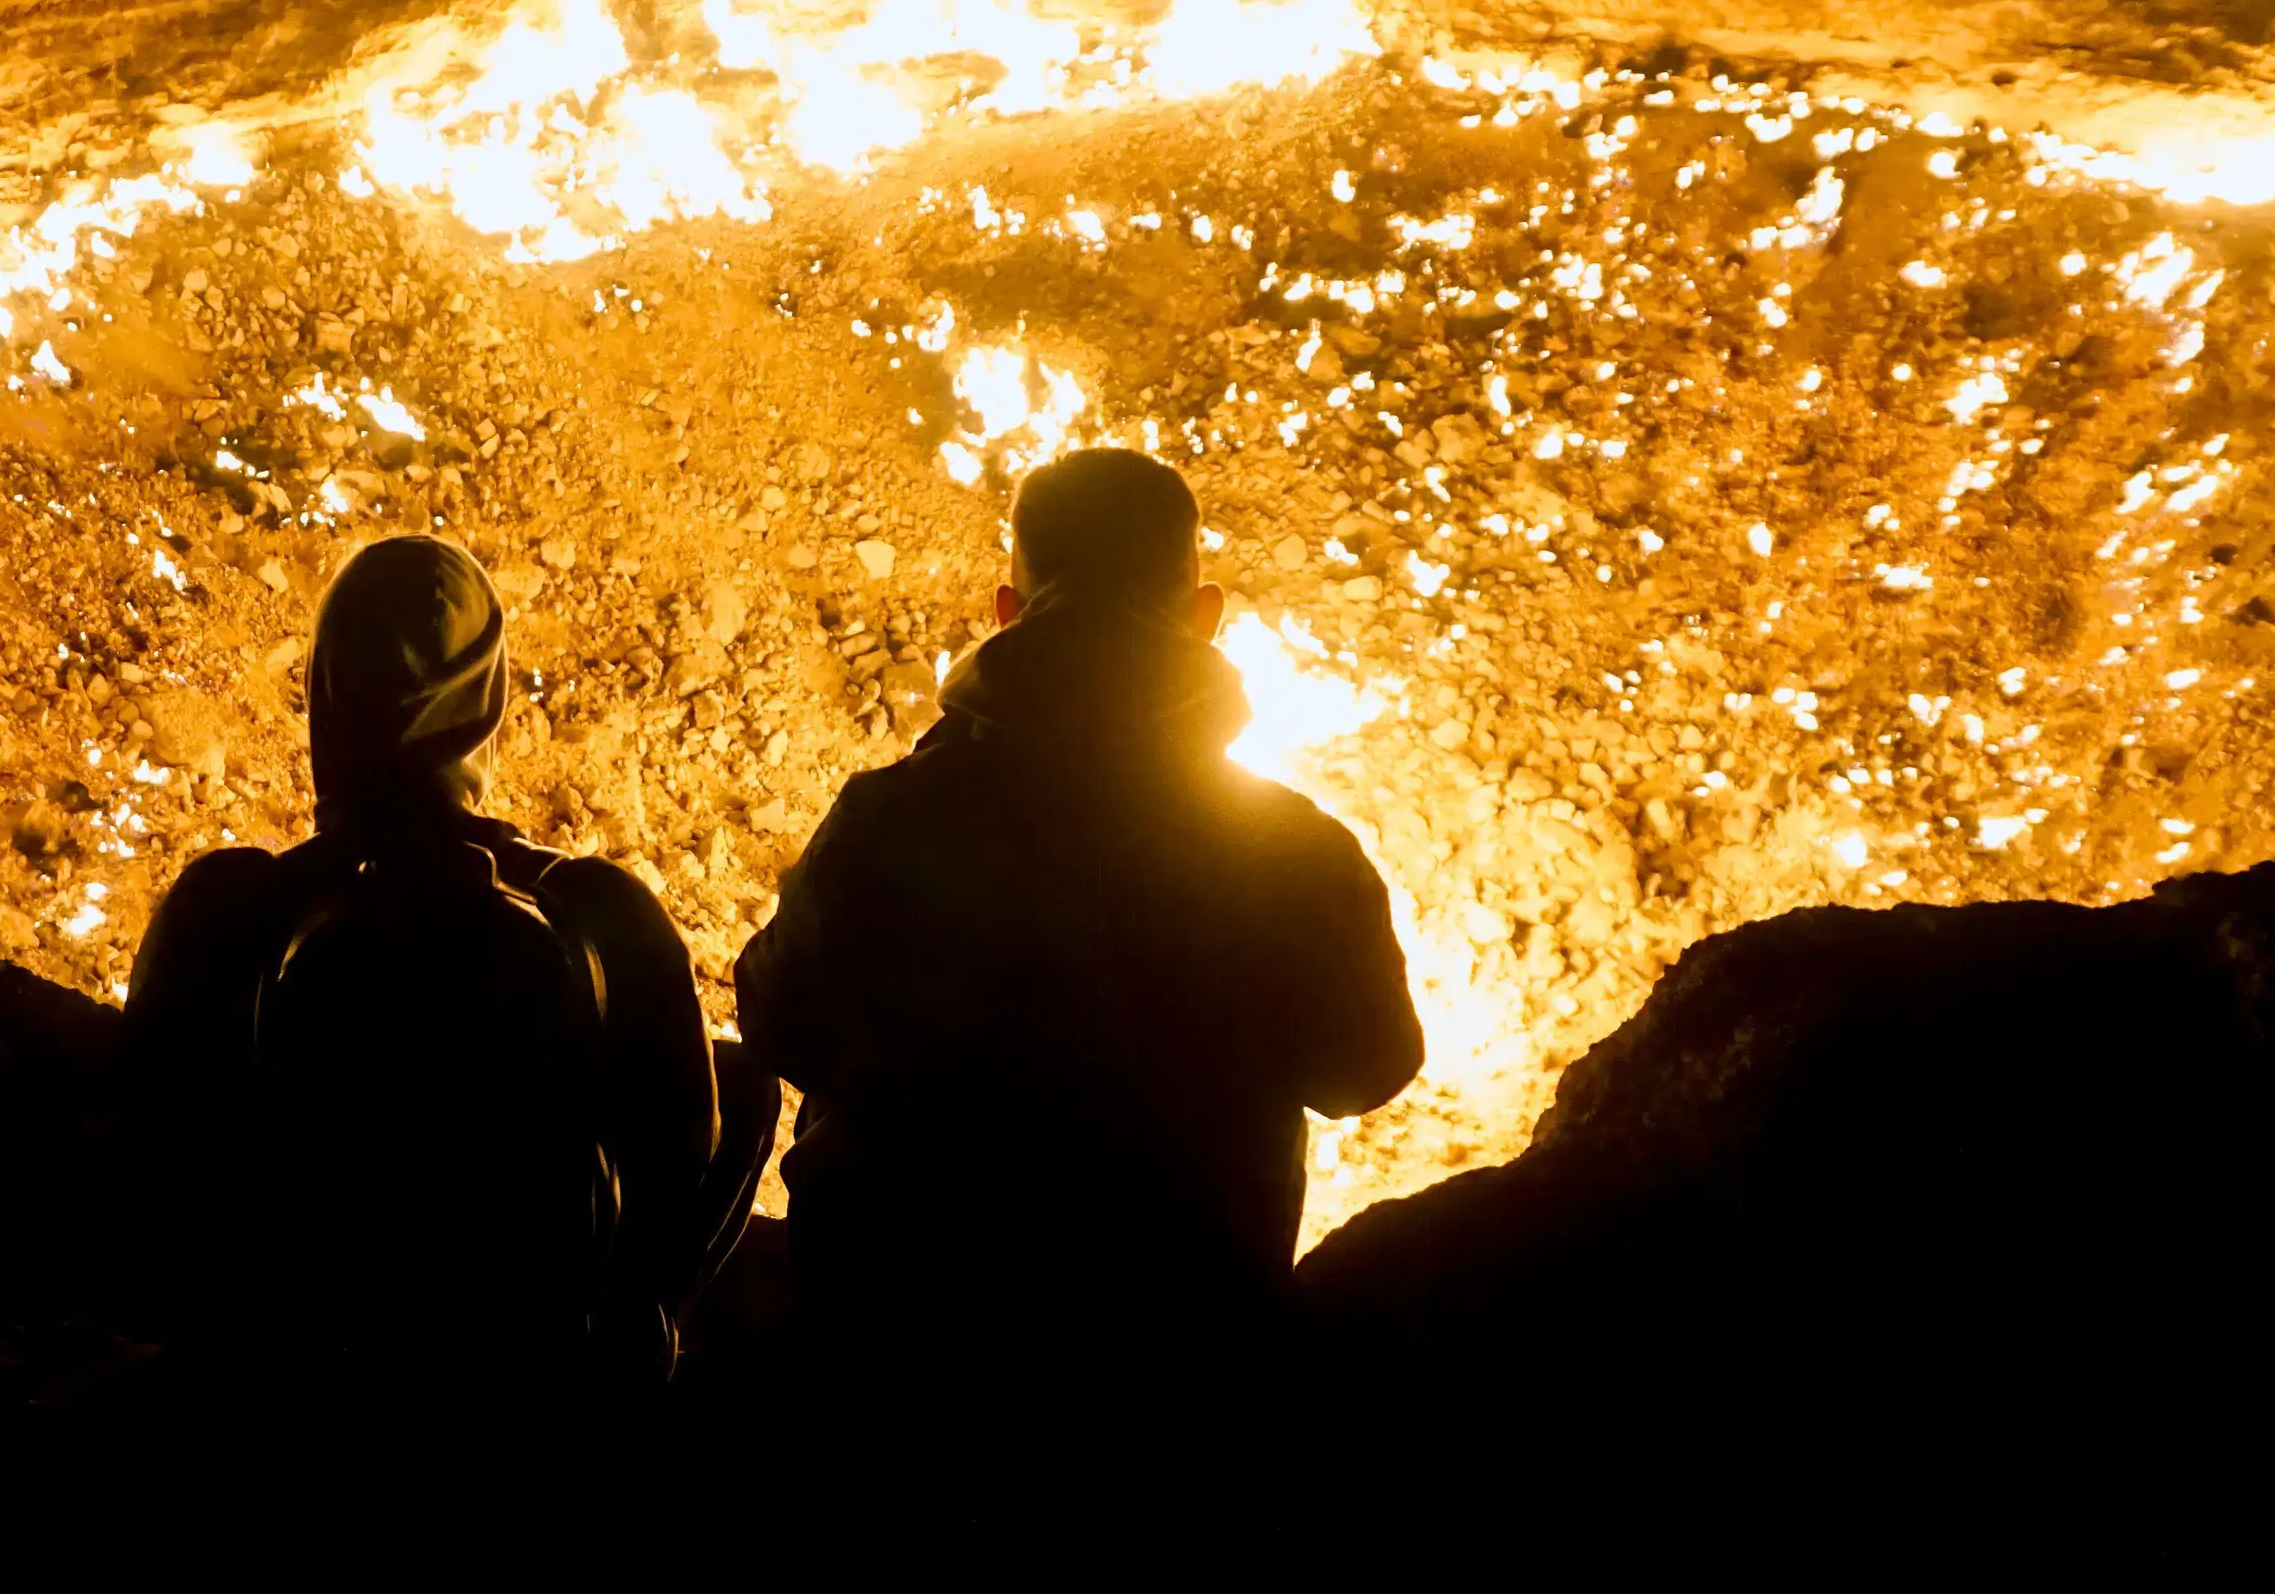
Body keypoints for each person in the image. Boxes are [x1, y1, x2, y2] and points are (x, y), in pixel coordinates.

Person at [731, 448, 1422, 1400]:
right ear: (1204, 618)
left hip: (902, 1347)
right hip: (1179, 1357)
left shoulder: (889, 818)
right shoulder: (1293, 850)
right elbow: (1368, 1071)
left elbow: (776, 1024)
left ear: (1009, 610)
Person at [122, 534, 772, 1395]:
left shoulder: (227, 908)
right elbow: (681, 1155)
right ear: (488, 703)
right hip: (536, 1377)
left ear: (327, 694)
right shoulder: (597, 912)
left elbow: (155, 1153)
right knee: (743, 1082)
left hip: (287, 1376)